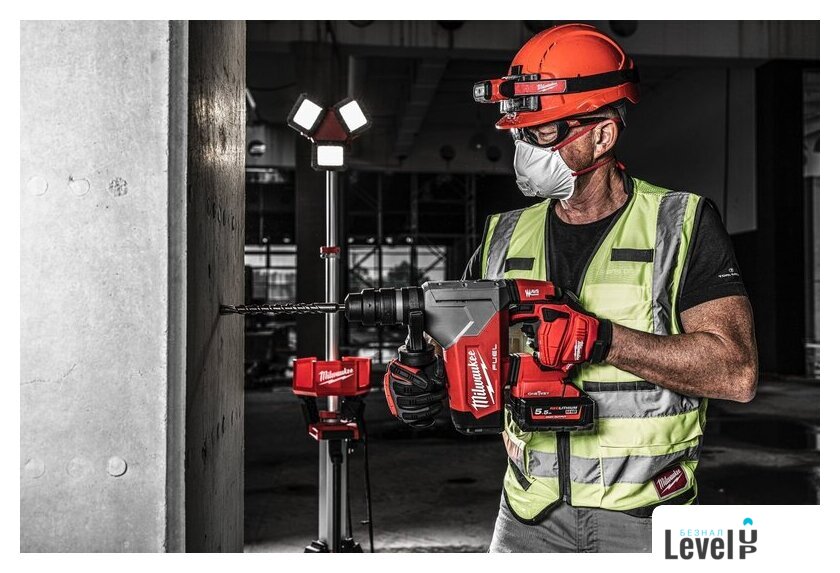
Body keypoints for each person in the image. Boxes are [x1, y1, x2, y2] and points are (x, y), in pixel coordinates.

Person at [383, 23, 758, 553]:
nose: (523, 150)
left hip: (644, 519)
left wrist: (603, 340)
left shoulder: (681, 223)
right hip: (526, 516)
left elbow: (736, 373)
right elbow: (460, 349)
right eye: (518, 134)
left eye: (541, 133)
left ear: (602, 135)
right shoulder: (503, 235)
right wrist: (420, 379)